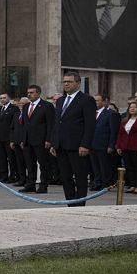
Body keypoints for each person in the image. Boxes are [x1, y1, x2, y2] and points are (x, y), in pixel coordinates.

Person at [50, 71, 96, 207]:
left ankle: (80, 204)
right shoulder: (60, 101)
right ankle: (70, 203)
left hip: (77, 146)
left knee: (80, 177)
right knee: (65, 177)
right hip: (61, 145)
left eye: (69, 82)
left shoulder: (87, 100)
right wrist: (54, 143)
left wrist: (85, 145)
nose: (66, 84)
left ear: (78, 83)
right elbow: (57, 123)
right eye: (64, 82)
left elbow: (90, 125)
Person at [20, 84, 55, 193]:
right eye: (28, 93)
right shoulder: (26, 107)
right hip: (28, 140)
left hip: (41, 140)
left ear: (38, 93)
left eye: (31, 92)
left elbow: (50, 124)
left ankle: (43, 185)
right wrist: (23, 139)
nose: (29, 94)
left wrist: (49, 139)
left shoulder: (46, 106)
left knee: (43, 164)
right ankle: (30, 184)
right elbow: (25, 124)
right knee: (30, 164)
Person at [116, 100, 137, 194]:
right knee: (129, 167)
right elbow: (120, 134)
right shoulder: (124, 120)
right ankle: (132, 185)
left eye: (134, 107)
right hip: (125, 147)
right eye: (131, 107)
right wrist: (118, 146)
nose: (132, 109)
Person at [89, 94, 118, 190]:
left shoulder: (110, 114)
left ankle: (106, 184)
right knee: (95, 166)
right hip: (92, 144)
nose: (95, 103)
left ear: (104, 102)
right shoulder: (91, 113)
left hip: (104, 144)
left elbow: (113, 131)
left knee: (104, 166)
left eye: (97, 100)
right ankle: (97, 183)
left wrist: (111, 145)